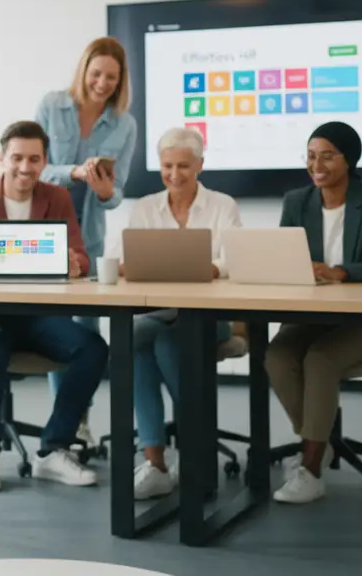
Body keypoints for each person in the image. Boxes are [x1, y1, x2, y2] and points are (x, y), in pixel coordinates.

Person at [0, 121, 110, 492]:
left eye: (34, 159)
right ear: (1, 158)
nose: (25, 167)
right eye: (16, 157)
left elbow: (81, 257)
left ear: (45, 161)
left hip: (35, 316)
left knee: (92, 348)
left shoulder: (58, 198)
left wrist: (74, 263)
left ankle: (54, 449)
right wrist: (11, 263)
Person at [264, 121, 362, 505]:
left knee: (321, 361)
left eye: (328, 155)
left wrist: (340, 272)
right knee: (277, 357)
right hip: (312, 318)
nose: (317, 164)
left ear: (349, 159)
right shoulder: (297, 201)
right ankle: (319, 441)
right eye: (311, 156)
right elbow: (282, 259)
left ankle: (311, 468)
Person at [106, 126, 242, 499]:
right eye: (168, 166)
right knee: (131, 338)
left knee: (166, 342)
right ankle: (156, 462)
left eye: (184, 165)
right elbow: (121, 258)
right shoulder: (145, 207)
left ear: (200, 164)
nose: (175, 174)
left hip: (209, 318)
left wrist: (207, 268)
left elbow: (232, 262)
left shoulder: (222, 205)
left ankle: (192, 449)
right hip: (158, 313)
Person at [34, 36, 138, 444]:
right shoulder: (51, 105)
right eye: (96, 74)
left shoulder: (125, 124)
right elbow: (33, 167)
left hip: (87, 236)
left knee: (86, 331)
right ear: (84, 71)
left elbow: (118, 193)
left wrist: (104, 190)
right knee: (57, 327)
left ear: (120, 80)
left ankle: (78, 420)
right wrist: (74, 172)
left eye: (111, 77)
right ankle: (65, 426)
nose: (102, 83)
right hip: (44, 233)